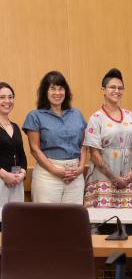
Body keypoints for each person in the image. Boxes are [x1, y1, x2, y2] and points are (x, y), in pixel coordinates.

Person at [22, 71, 87, 204]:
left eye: (60, 88)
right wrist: (55, 170)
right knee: (46, 221)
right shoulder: (35, 116)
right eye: (52, 88)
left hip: (75, 175)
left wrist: (80, 168)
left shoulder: (77, 114)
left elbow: (84, 145)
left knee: (72, 220)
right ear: (45, 92)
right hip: (48, 175)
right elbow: (34, 149)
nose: (57, 93)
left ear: (66, 91)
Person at [83, 68, 132, 208]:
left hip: (129, 178)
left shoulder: (130, 116)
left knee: (129, 224)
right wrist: (114, 178)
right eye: (112, 87)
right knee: (103, 224)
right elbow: (94, 154)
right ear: (103, 90)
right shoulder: (96, 118)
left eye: (120, 88)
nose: (117, 91)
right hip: (103, 177)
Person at [0, 82, 27, 207]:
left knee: (15, 222)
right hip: (1, 180)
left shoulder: (15, 127)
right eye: (2, 97)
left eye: (10, 97)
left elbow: (22, 155)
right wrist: (5, 175)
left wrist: (22, 173)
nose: (7, 101)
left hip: (16, 182)